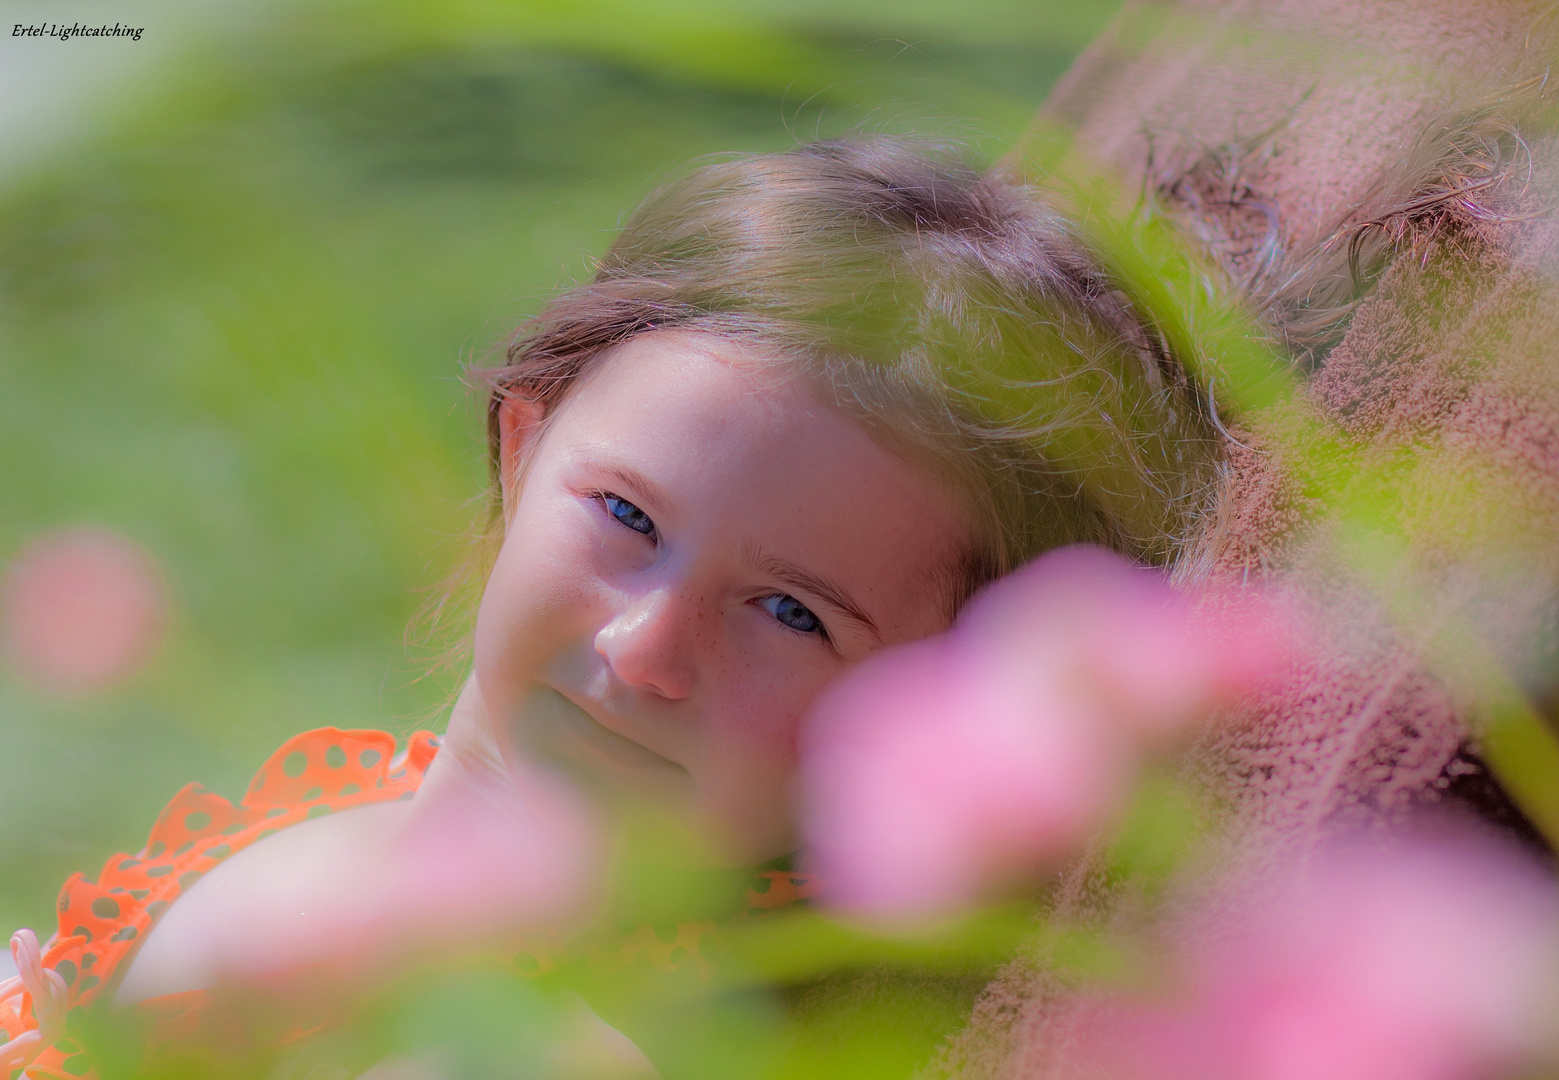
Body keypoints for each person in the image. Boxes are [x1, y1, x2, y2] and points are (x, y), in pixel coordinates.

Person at [0, 137, 1220, 1078]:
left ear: (923, 709)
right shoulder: (351, 803)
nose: (645, 651)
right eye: (629, 521)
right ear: (524, 446)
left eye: (792, 614)